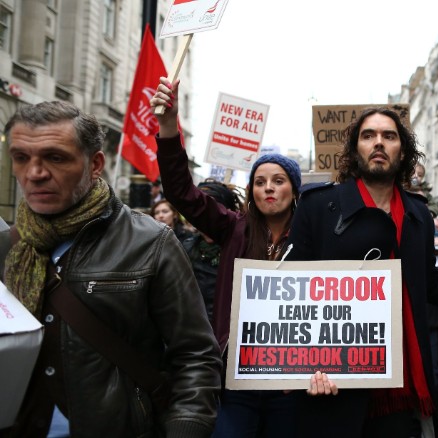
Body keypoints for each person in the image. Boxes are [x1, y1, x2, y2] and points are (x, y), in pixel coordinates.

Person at [1, 100, 221, 437]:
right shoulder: (7, 246)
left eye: (55, 157)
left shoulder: (150, 243)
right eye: (21, 158)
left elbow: (196, 357)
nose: (35, 173)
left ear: (95, 164)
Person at [151, 78, 302, 437]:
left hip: (292, 381)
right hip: (236, 379)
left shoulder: (313, 238)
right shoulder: (233, 228)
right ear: (251, 190)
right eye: (260, 181)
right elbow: (181, 192)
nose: (268, 187)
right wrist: (169, 126)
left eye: (278, 180)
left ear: (295, 189)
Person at [287, 107, 438, 437]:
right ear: (356, 148)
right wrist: (302, 369)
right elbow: (293, 294)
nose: (379, 143)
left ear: (404, 149)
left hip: (401, 392)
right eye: (368, 136)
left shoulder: (420, 217)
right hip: (331, 385)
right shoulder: (317, 207)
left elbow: (430, 295)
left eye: (389, 136)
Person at [181, 180, 245, 321]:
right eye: (201, 213)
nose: (207, 219)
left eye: (213, 212)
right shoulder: (184, 250)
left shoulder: (243, 250)